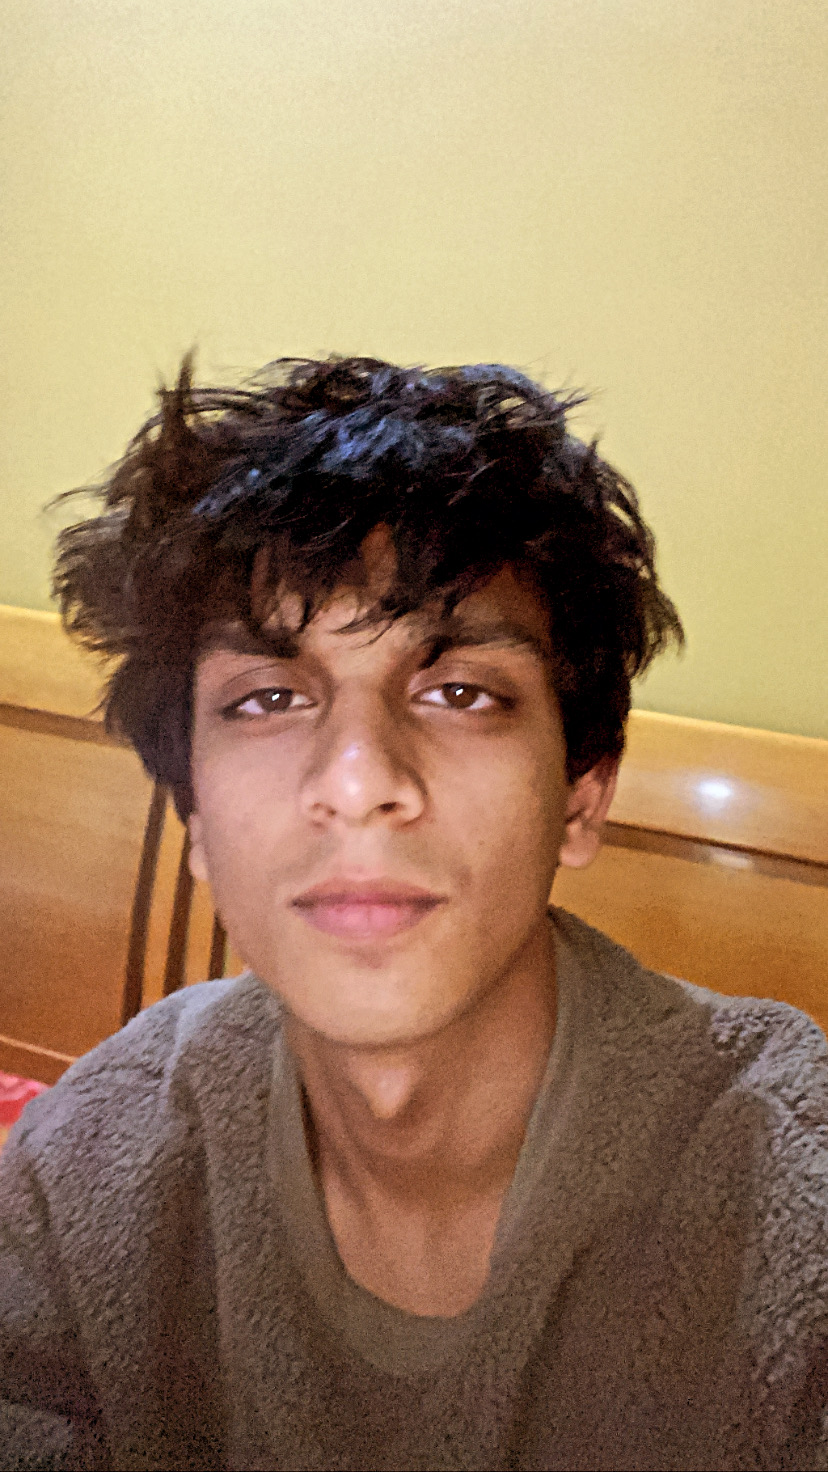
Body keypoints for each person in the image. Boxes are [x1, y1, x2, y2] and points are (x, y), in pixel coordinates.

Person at [1, 355, 826, 1471]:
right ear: (194, 814)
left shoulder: (789, 1199)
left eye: (459, 692)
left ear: (582, 793)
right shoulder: (90, 1166)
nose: (358, 780)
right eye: (269, 697)